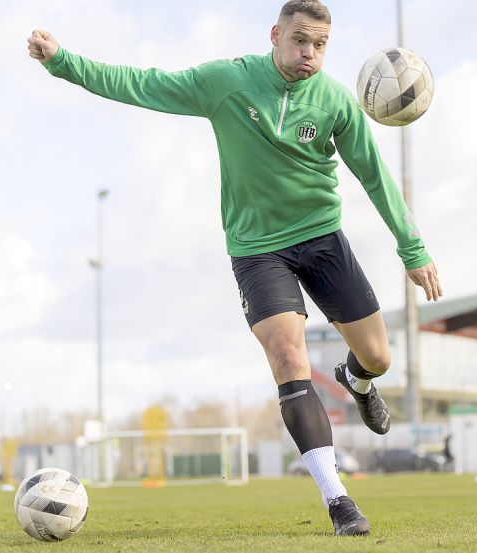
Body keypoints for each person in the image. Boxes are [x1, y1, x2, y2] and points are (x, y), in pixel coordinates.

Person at [27, 0, 441, 536]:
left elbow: (376, 177)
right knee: (287, 352)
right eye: (300, 41)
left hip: (323, 240)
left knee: (380, 357)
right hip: (256, 248)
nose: (309, 54)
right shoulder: (225, 82)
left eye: (319, 45)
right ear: (275, 34)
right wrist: (64, 62)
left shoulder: (336, 101)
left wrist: (413, 250)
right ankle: (338, 499)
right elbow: (141, 83)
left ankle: (357, 381)